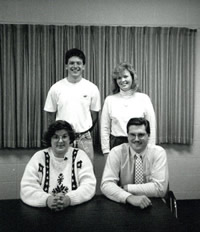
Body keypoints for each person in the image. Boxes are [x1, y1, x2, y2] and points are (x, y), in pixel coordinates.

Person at [20, 120, 96, 211]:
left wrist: (69, 199)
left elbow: (89, 186)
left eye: (64, 136)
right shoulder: (39, 157)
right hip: (45, 212)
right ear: (50, 139)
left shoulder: (80, 156)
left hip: (75, 210)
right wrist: (47, 200)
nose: (60, 141)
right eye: (56, 137)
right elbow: (26, 188)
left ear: (70, 139)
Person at [44, 48, 101, 163]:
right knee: (61, 171)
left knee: (86, 172)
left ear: (84, 66)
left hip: (84, 139)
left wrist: (83, 130)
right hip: (62, 137)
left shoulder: (92, 88)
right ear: (66, 66)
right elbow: (50, 114)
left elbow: (94, 116)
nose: (75, 66)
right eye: (71, 63)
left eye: (78, 63)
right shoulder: (56, 88)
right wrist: (60, 131)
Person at [101, 117, 168, 209]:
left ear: (148, 135)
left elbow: (160, 189)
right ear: (127, 135)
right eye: (132, 134)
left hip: (153, 202)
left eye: (141, 135)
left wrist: (127, 188)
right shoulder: (116, 152)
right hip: (124, 202)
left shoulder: (158, 153)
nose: (136, 139)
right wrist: (129, 197)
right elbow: (106, 184)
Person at [101, 62, 156, 157]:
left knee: (138, 172)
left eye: (125, 76)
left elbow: (152, 127)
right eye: (119, 78)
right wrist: (106, 151)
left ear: (132, 78)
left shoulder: (144, 99)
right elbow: (104, 129)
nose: (122, 80)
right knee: (118, 172)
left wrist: (151, 149)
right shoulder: (109, 100)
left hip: (139, 143)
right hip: (116, 145)